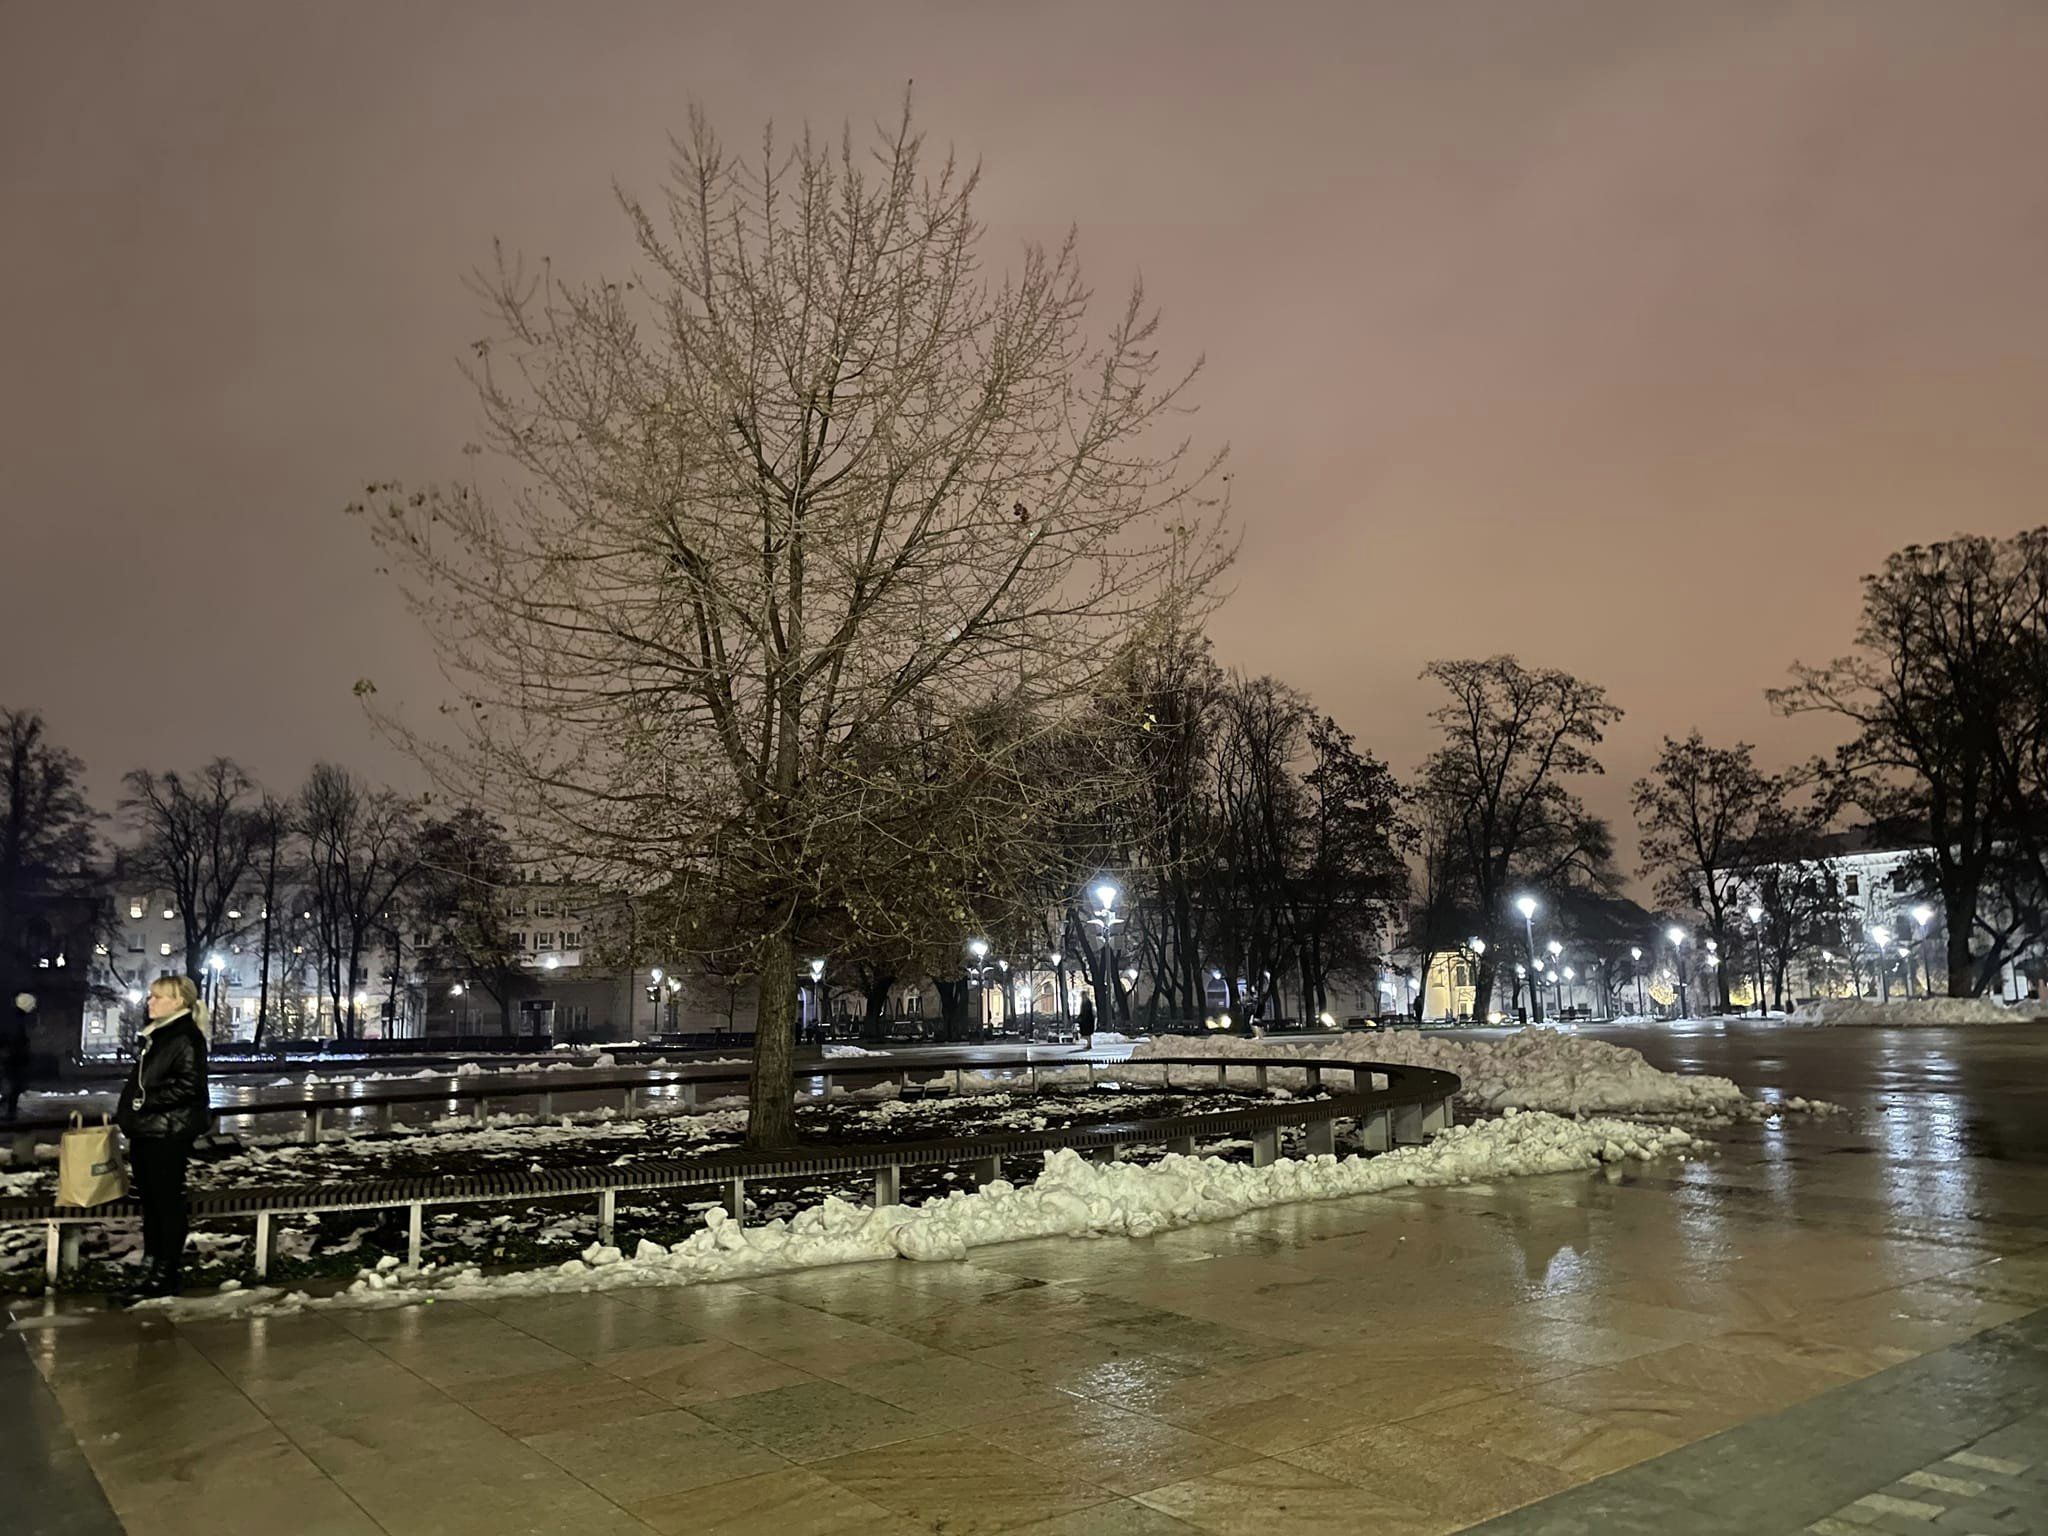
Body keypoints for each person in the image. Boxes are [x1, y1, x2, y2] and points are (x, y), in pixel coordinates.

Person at [114, 975, 210, 1301]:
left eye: (158, 997)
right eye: (150, 996)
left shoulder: (184, 1037)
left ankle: (164, 1273)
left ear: (178, 1001)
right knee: (153, 1205)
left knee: (166, 1205)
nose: (149, 1002)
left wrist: (144, 1101)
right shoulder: (160, 1035)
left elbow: (190, 1085)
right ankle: (151, 1265)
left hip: (167, 1133)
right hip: (150, 1130)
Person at [2, 991, 33, 1121]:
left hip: (13, 1057)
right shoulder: (18, 1021)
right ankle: (10, 1111)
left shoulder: (14, 1019)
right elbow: (17, 1039)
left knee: (14, 1086)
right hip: (14, 1058)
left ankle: (9, 1110)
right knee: (14, 1086)